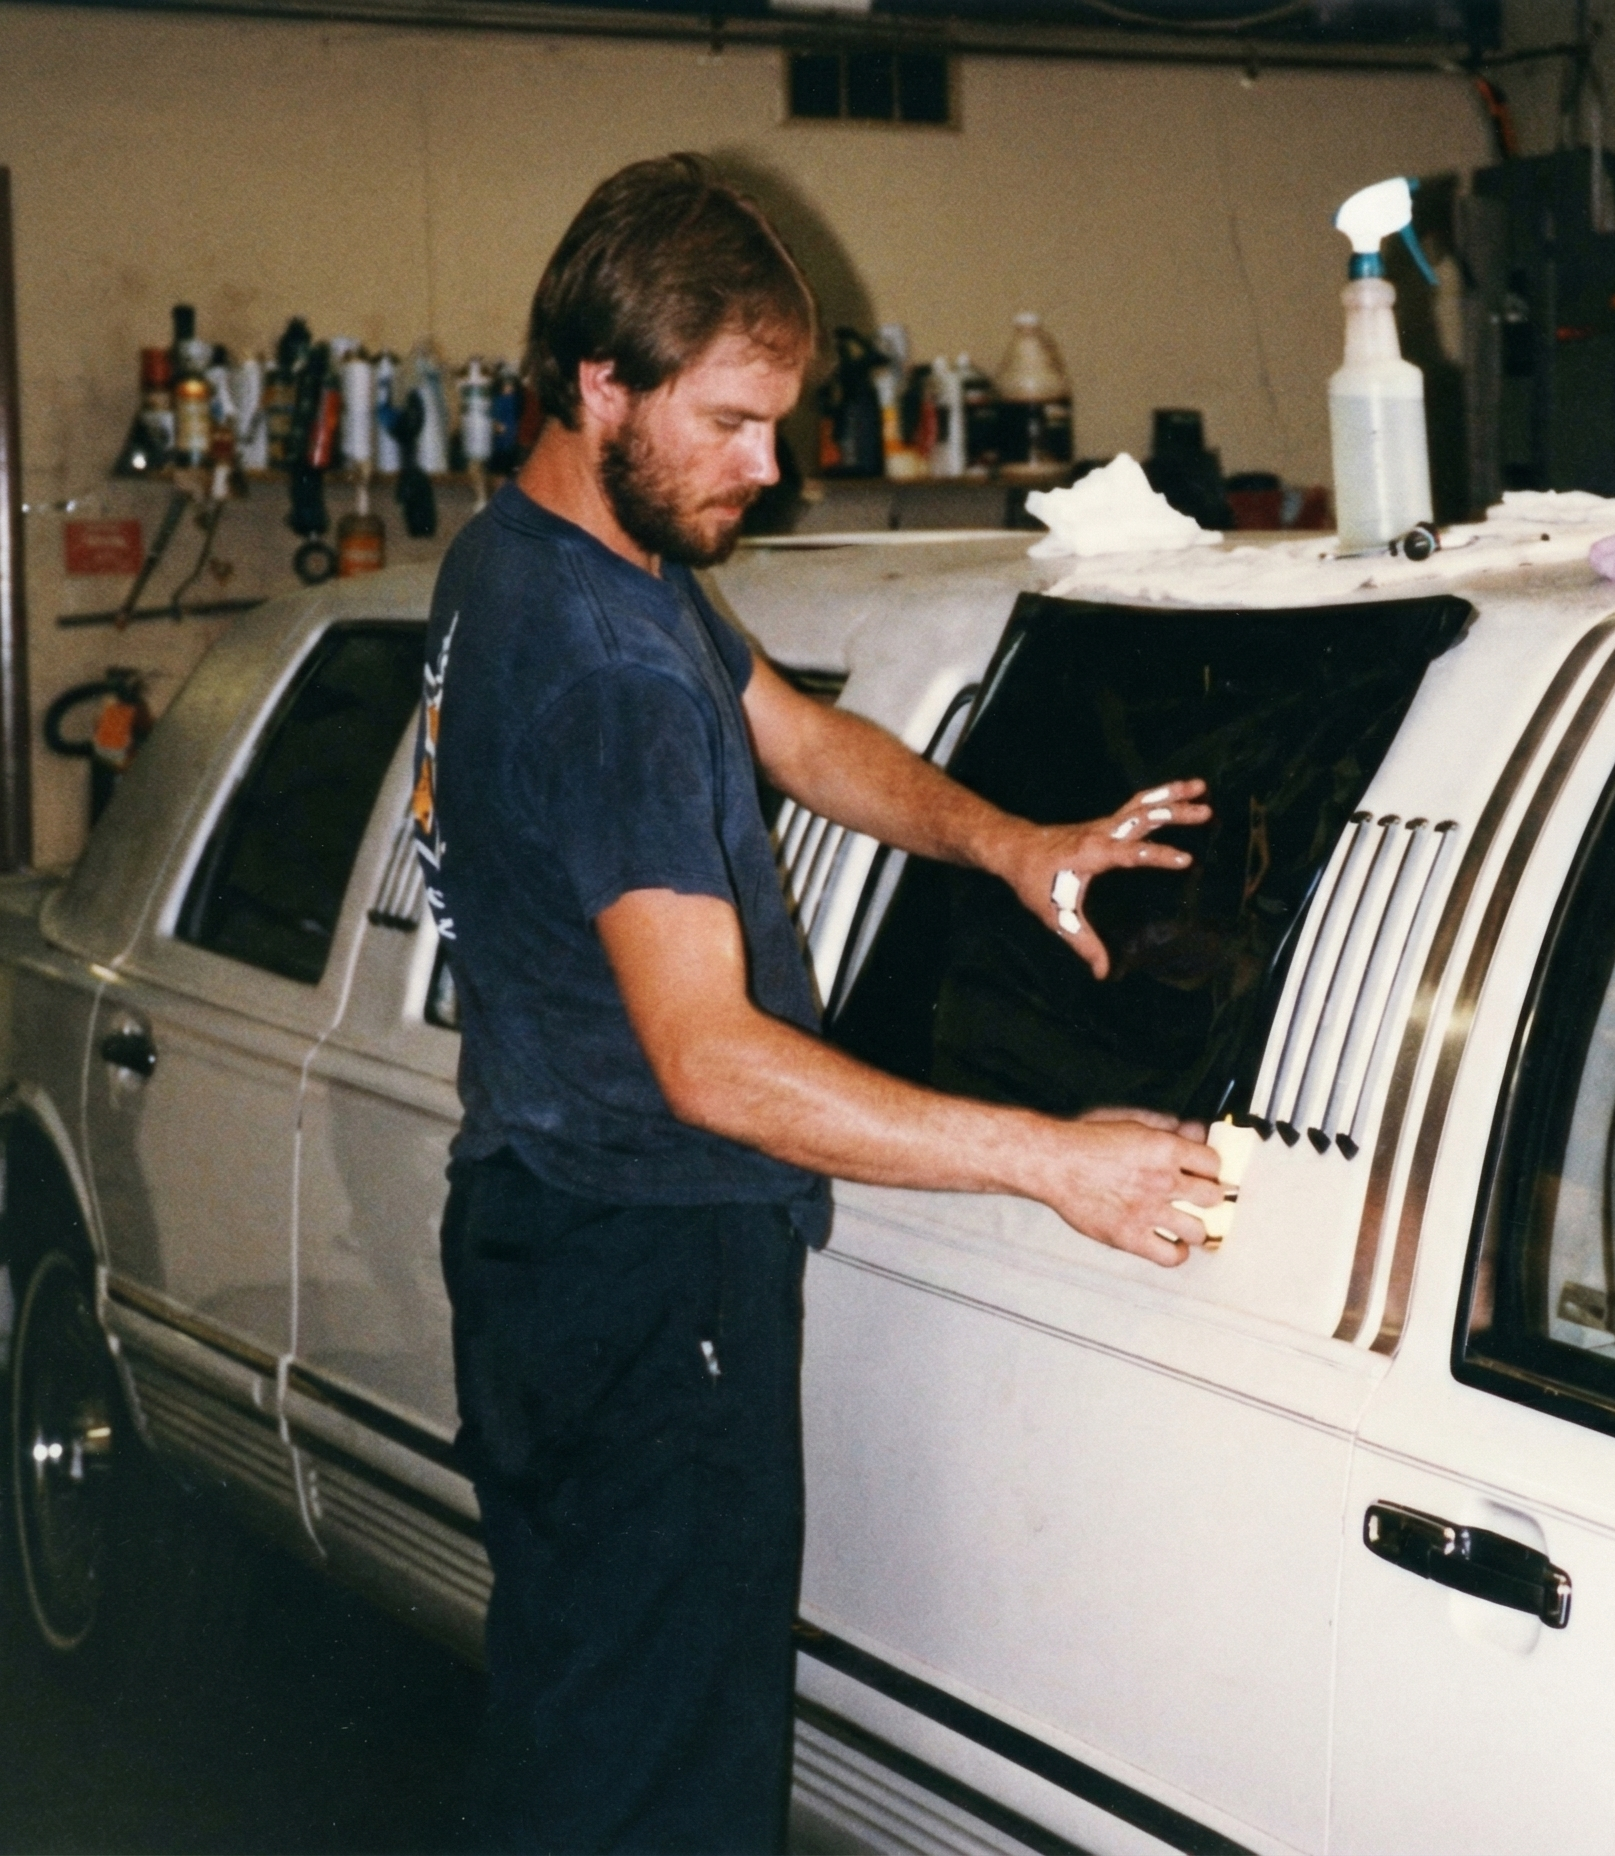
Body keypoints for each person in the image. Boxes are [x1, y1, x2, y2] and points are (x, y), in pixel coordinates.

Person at [413, 154, 1223, 1853]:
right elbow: (710, 1062)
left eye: (777, 421)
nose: (766, 468)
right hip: (648, 1280)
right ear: (598, 382)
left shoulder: (545, 562)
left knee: (582, 1731)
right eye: (729, 422)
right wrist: (1054, 1160)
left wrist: (1012, 845)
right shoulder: (609, 672)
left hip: (543, 1234)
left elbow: (791, 728)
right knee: (667, 1790)